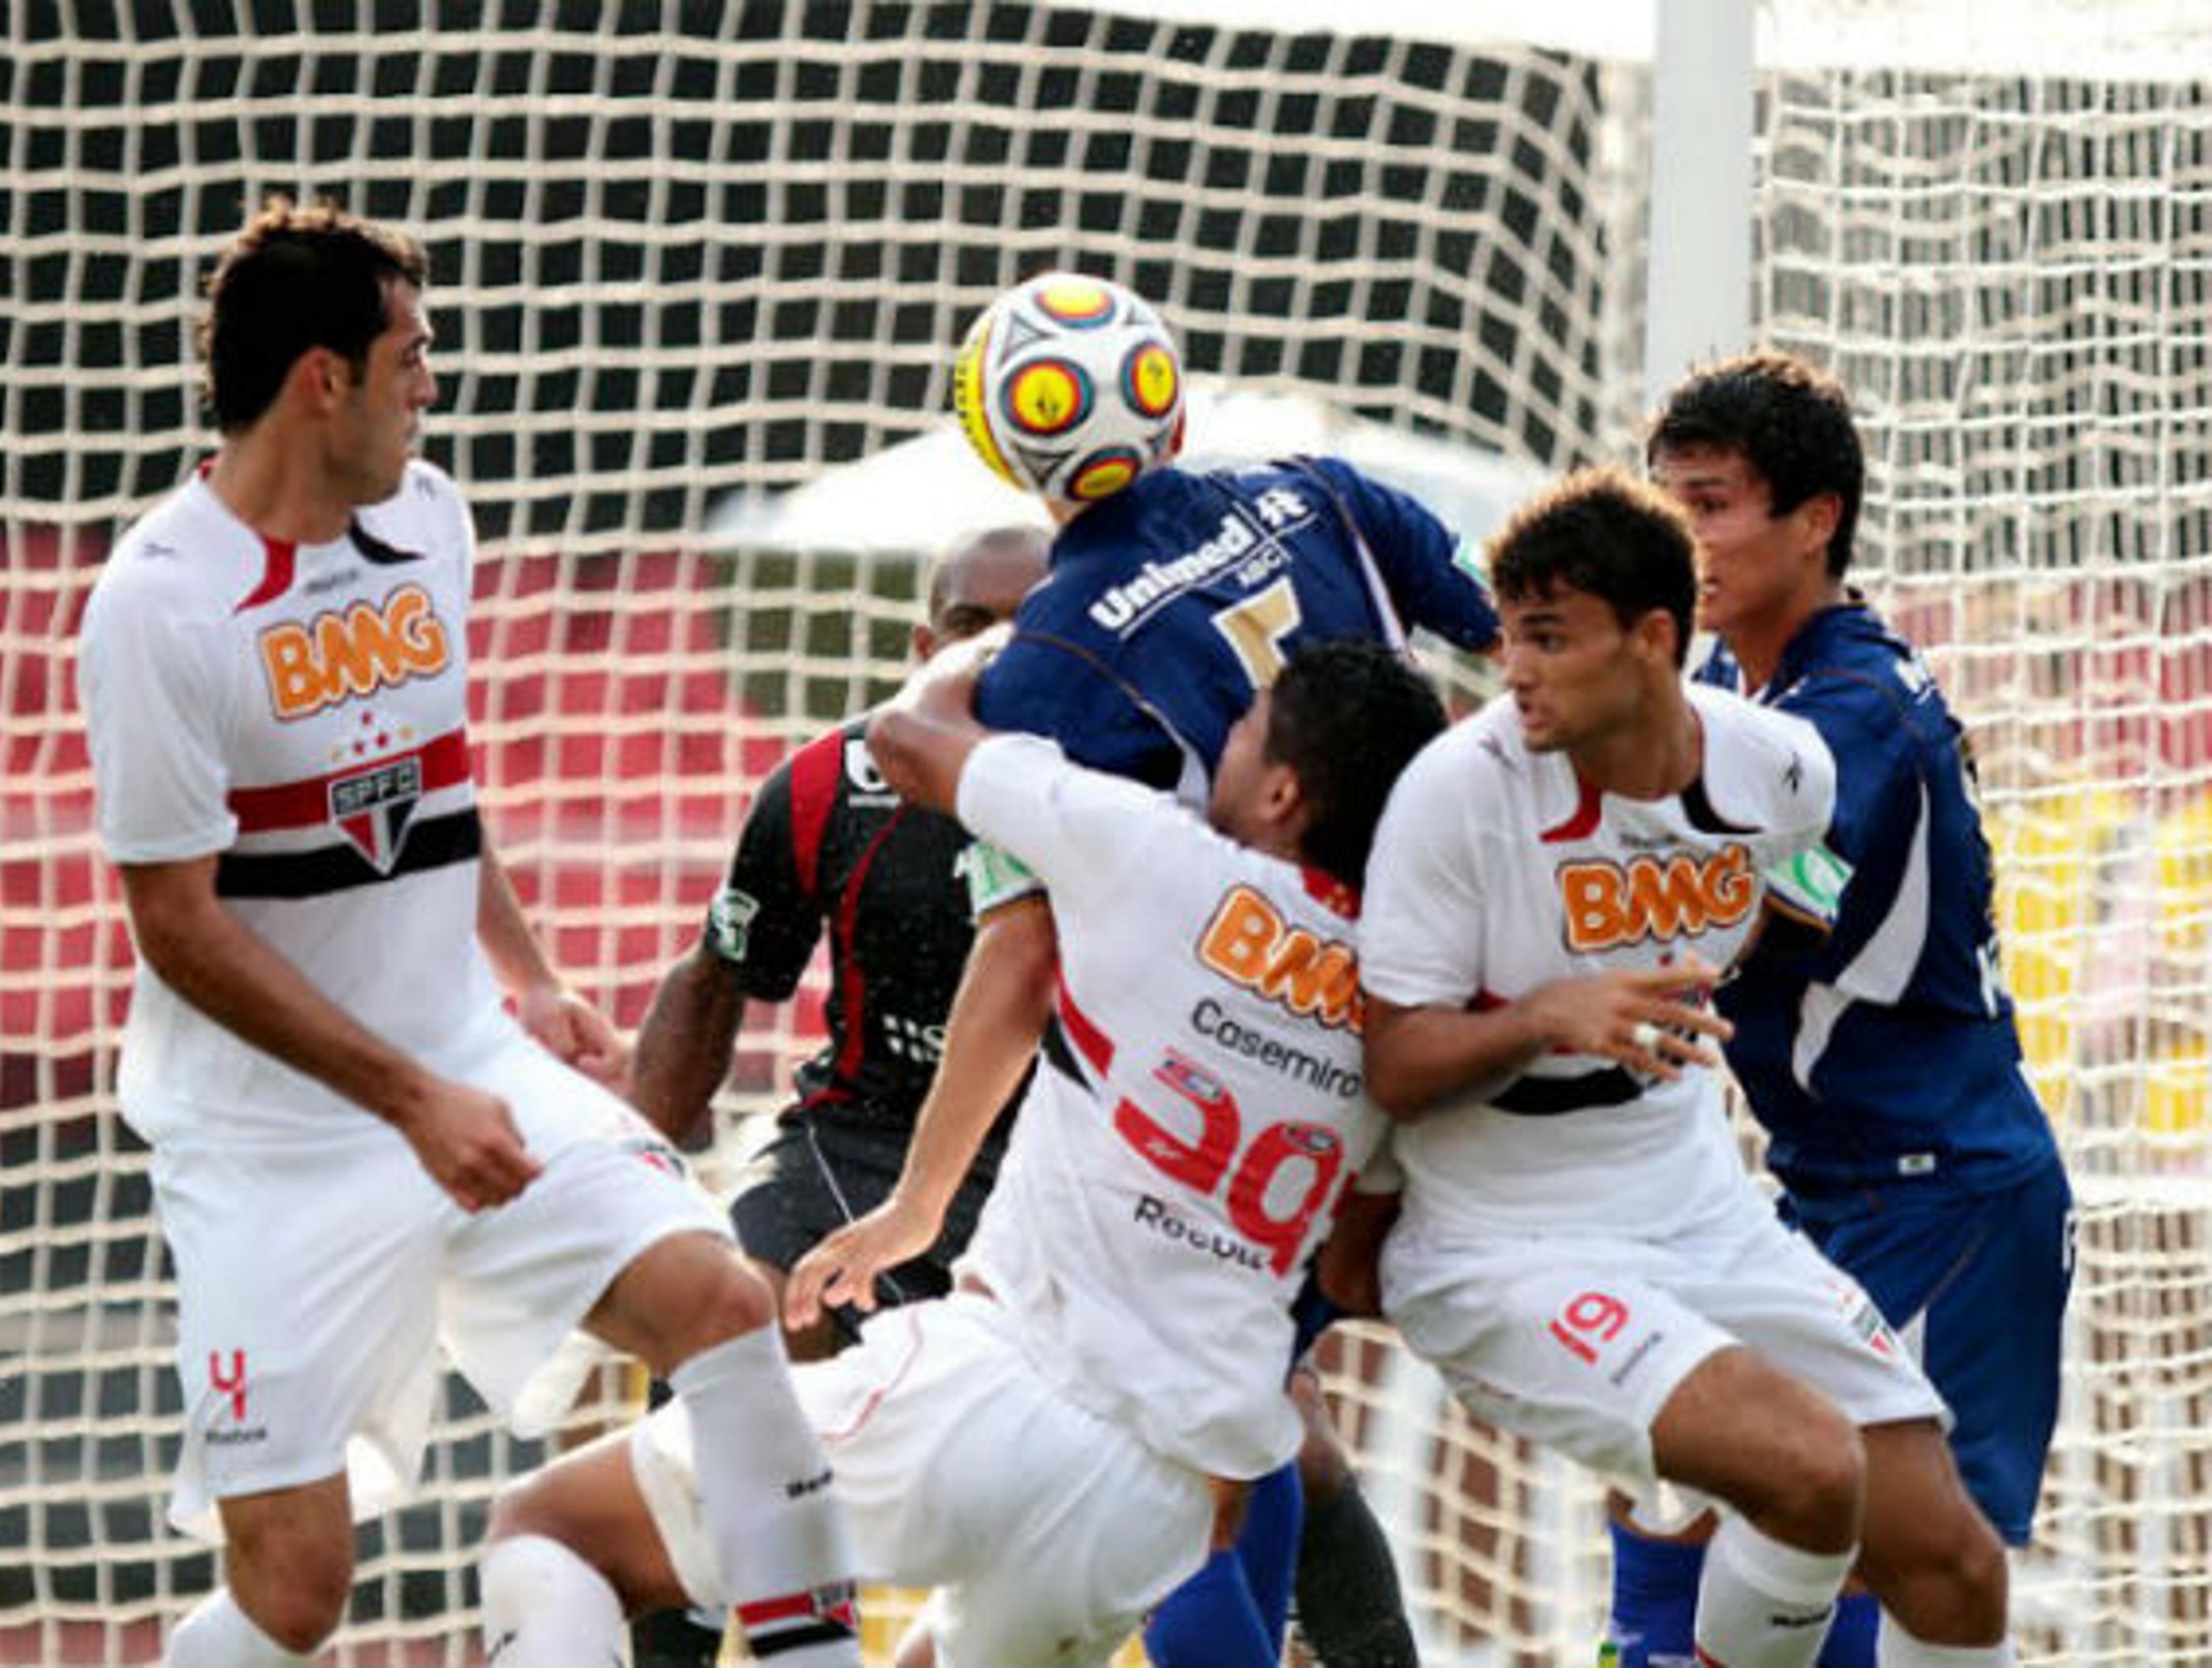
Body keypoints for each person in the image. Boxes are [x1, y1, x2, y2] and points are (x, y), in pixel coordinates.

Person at [75, 199, 858, 1668]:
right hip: (273, 1150)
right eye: (411, 356)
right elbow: (178, 931)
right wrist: (412, 1100)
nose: (430, 385)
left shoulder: (429, 518)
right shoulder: (158, 608)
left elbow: (430, 785)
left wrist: (529, 978)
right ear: (325, 379)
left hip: (467, 1063)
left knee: (721, 1302)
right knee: (294, 1593)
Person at [479, 637, 1452, 1667]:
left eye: (1246, 728)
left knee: (548, 1525)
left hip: (1004, 1394)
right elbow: (1351, 1267)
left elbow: (913, 737)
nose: (1222, 735)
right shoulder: (1399, 1019)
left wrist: (1011, 649)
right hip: (1157, 1505)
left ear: (1283, 793)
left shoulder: (1155, 854)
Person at [802, 270, 1500, 1668]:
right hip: (1440, 1011)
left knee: (1190, 1461)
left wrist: (920, 1202)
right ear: (1170, 404)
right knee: (1244, 1432)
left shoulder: (1051, 663)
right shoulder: (1328, 492)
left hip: (1230, 1057)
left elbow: (1022, 947)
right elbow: (1523, 658)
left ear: (998, 440)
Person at [1351, 467, 2017, 1668]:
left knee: (1956, 1567)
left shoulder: (1788, 767)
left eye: (1549, 640)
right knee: (1808, 1469)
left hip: (1692, 1192)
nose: (1516, 670)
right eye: (1509, 637)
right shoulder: (1458, 795)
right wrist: (1546, 1014)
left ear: (1655, 640)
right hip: (1502, 1235)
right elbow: (1395, 1063)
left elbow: (1797, 892)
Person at [1584, 351, 2076, 1668]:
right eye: (1670, 504)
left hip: (1944, 1197)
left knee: (1913, 1559)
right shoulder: (1749, 695)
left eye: (1716, 505)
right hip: (1831, 1187)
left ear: (1817, 520)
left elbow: (1749, 916)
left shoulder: (1847, 711)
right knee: (1685, 1478)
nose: (1686, 539)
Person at [628, 524, 1049, 1360]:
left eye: (1030, 622)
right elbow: (716, 977)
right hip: (862, 1141)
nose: (999, 648)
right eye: (972, 625)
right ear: (926, 647)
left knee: (1289, 1444)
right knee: (734, 1320)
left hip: (1063, 1165)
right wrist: (625, 1182)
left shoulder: (1148, 782)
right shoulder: (830, 783)